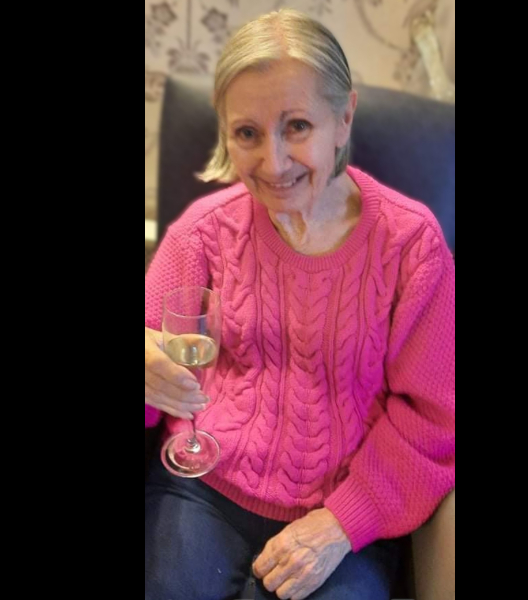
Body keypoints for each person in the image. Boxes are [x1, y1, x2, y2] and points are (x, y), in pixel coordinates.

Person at [145, 9, 455, 600]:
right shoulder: (201, 235)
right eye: (247, 133)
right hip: (202, 486)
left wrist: (344, 520)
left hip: (343, 510)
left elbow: (437, 417)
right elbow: (152, 356)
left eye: (297, 127)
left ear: (343, 119)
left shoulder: (412, 247)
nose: (274, 162)